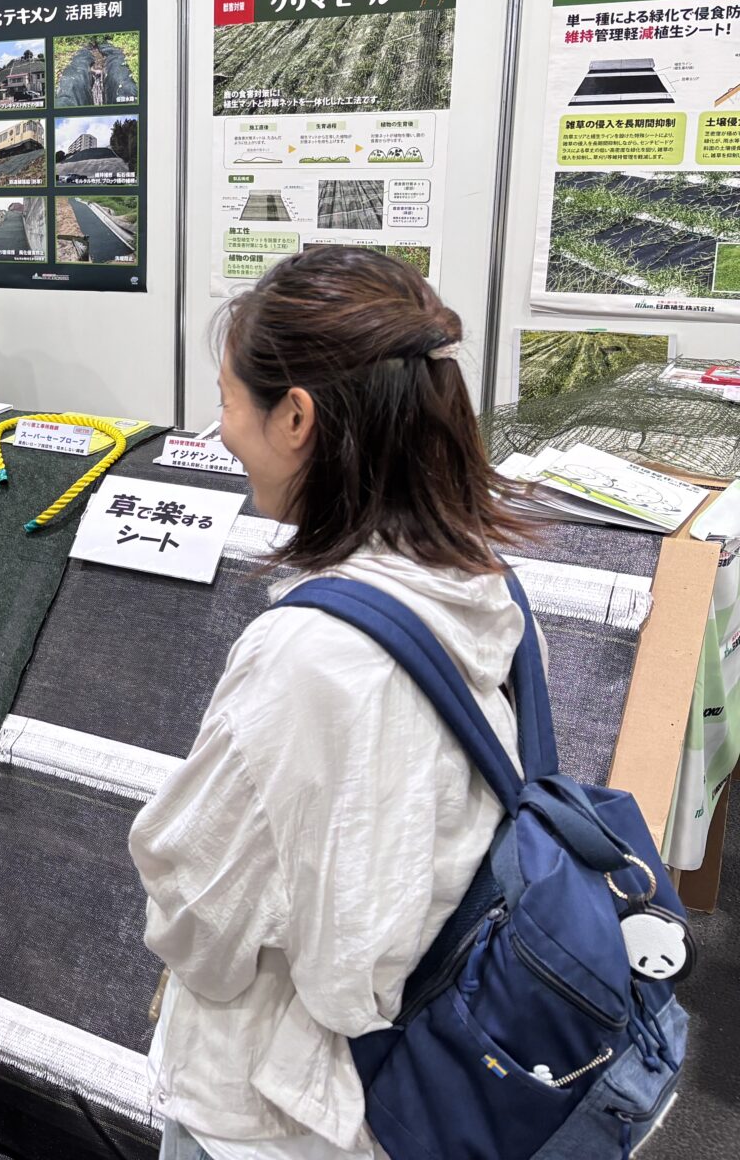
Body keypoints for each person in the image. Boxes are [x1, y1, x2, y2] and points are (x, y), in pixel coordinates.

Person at [128, 247, 530, 1160]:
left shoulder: (311, 655)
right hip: (412, 1091)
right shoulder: (482, 588)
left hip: (274, 1111)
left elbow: (199, 915)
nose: (222, 428)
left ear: (297, 417)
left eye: (230, 398)